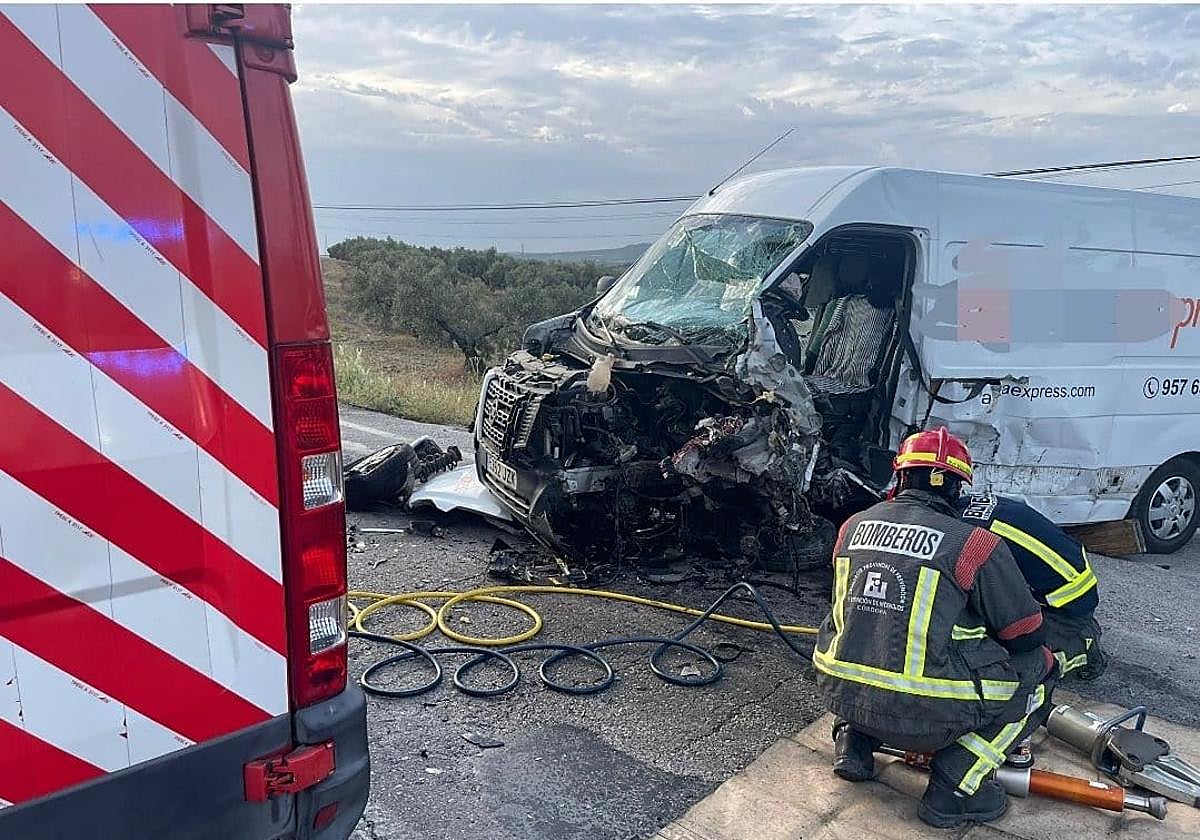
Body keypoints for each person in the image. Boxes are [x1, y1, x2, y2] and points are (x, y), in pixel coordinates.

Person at [812, 427, 1058, 829]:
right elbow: (1026, 633)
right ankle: (955, 786)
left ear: (900, 477)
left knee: (864, 627)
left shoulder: (852, 527)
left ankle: (853, 742)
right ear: (958, 489)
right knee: (1041, 666)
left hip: (840, 690)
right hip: (925, 715)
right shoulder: (974, 544)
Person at [956, 492, 1106, 681]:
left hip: (1064, 607)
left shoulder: (967, 534)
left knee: (1003, 667)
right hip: (1057, 582)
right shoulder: (963, 507)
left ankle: (1080, 648)